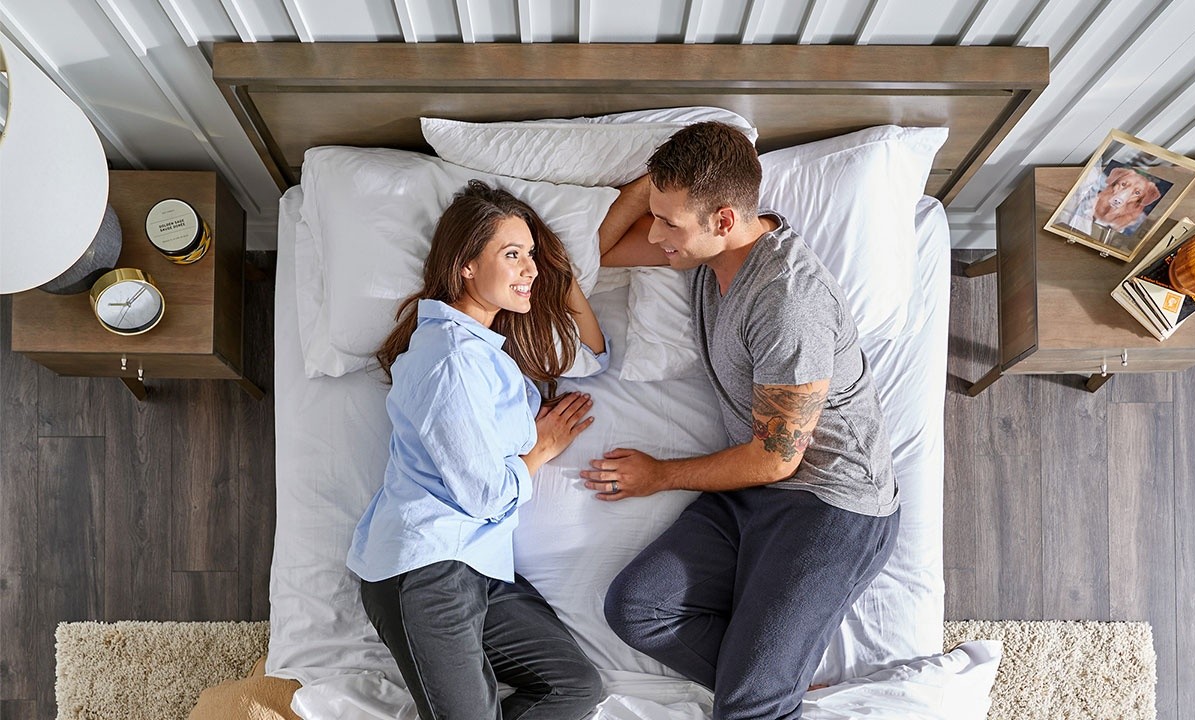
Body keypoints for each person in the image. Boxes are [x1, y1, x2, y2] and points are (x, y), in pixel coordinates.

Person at [581, 122, 900, 719]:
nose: (655, 235)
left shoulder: (788, 303)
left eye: (668, 223)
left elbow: (778, 457)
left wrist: (658, 476)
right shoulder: (706, 248)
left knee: (746, 710)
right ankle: (775, 688)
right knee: (637, 608)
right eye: (657, 215)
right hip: (755, 489)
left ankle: (765, 695)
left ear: (724, 220)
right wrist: (651, 190)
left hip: (831, 505)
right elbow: (593, 252)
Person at [347, 180, 606, 720]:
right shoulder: (450, 359)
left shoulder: (488, 352)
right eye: (512, 255)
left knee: (576, 687)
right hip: (426, 567)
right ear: (466, 265)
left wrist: (558, 271)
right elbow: (485, 494)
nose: (529, 268)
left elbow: (593, 355)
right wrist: (540, 449)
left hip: (479, 568)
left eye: (530, 254)